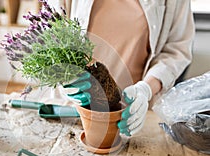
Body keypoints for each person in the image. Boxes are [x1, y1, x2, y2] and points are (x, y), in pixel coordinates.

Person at [49, 0, 195, 136]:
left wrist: (146, 89)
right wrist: (66, 78)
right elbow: (49, 38)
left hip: (133, 116)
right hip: (70, 110)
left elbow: (176, 51)